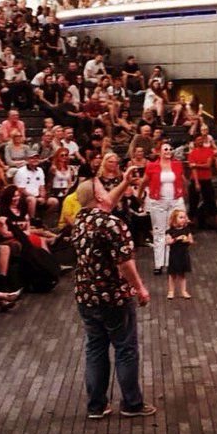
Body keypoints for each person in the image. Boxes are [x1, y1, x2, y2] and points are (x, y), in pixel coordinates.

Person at [70, 173, 156, 420]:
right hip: (113, 297)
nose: (107, 191)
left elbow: (105, 203)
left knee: (95, 348)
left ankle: (96, 406)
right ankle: (132, 404)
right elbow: (126, 263)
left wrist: (127, 182)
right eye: (103, 188)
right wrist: (140, 288)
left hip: (86, 296)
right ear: (98, 195)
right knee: (125, 348)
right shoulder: (111, 224)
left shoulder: (80, 220)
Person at [142, 142, 185, 275]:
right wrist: (140, 195)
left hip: (174, 201)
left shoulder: (177, 164)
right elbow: (145, 181)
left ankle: (170, 262)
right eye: (165, 149)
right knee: (159, 232)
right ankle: (158, 263)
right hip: (158, 202)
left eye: (170, 149)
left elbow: (182, 180)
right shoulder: (151, 166)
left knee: (172, 231)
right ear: (159, 152)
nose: (168, 151)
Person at [164, 207, 193, 300]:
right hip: (174, 255)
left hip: (183, 255)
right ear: (174, 219)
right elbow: (168, 242)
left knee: (182, 274)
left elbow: (191, 241)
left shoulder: (187, 230)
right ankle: (171, 291)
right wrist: (176, 239)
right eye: (181, 217)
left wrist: (187, 239)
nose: (183, 219)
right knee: (172, 274)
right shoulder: (170, 231)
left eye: (184, 217)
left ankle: (183, 291)